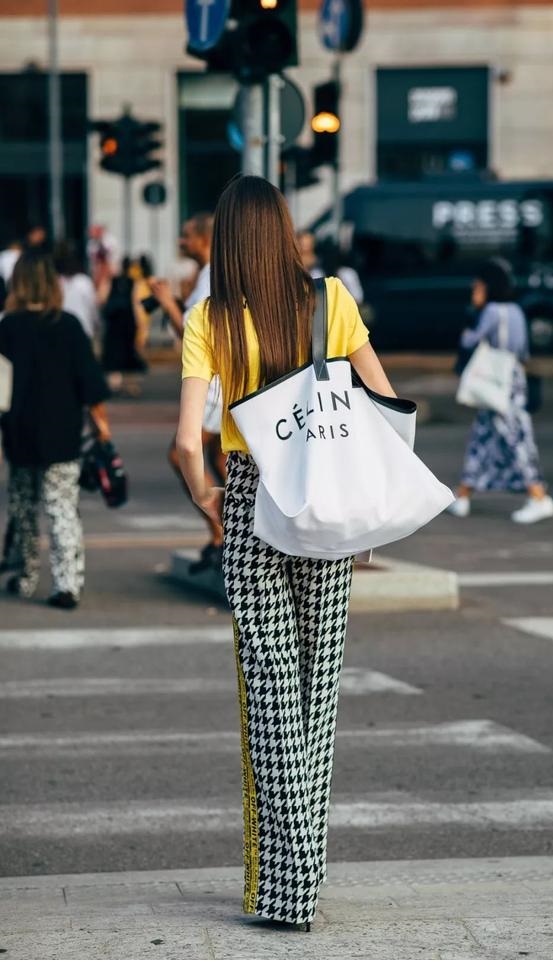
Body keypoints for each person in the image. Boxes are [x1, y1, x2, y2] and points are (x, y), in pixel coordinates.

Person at [176, 175, 396, 928]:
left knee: (269, 691)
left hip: (250, 498)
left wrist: (207, 498)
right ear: (282, 231)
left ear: (225, 241)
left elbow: (187, 443)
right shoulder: (331, 300)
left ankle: (288, 885)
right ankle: (302, 879)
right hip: (327, 502)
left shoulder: (209, 317)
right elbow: (383, 401)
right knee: (314, 690)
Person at [0, 249, 111, 608]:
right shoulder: (69, 326)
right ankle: (67, 584)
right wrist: (102, 429)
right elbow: (90, 387)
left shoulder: (7, 327)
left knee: (23, 507)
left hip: (19, 433)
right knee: (61, 507)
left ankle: (26, 575)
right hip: (62, 434)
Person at [448, 257, 552, 524]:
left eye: (477, 287)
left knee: (515, 438)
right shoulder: (516, 310)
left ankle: (539, 497)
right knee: (482, 438)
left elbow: (470, 340)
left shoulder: (492, 311)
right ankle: (463, 495)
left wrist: (470, 321)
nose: (474, 291)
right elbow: (523, 351)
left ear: (487, 286)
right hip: (512, 379)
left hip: (496, 382)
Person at [150, 213, 226, 573]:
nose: (182, 242)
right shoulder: (213, 272)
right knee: (223, 460)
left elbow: (198, 335)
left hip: (213, 383)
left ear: (204, 239)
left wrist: (167, 303)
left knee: (181, 455)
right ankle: (236, 532)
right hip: (224, 379)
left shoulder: (211, 273)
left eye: (186, 236)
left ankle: (221, 533)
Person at [99, 257, 148, 396]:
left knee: (113, 352)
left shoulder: (112, 281)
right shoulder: (133, 282)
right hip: (128, 322)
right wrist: (141, 324)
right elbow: (136, 304)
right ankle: (131, 384)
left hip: (113, 322)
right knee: (129, 351)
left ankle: (114, 383)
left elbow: (101, 298)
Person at [54, 241, 99, 340]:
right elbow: (93, 310)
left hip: (65, 334)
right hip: (82, 331)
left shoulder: (55, 283)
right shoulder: (84, 282)